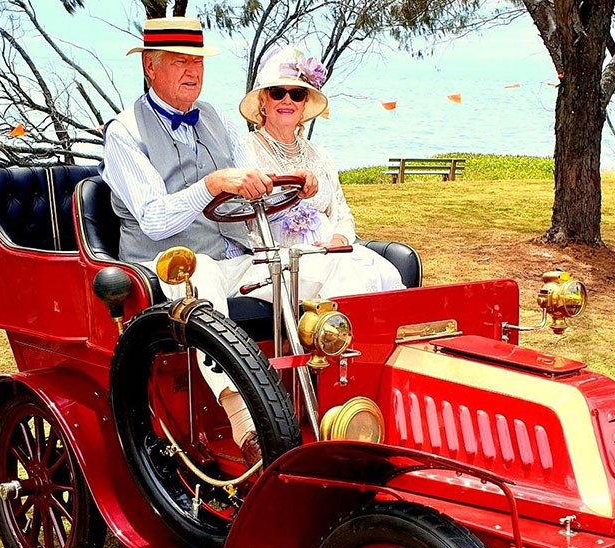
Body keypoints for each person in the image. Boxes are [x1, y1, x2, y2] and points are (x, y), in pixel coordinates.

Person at [100, 17, 324, 464]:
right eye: (181, 61)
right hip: (161, 266)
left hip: (227, 254)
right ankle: (244, 420)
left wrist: (286, 181)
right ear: (150, 67)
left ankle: (333, 400)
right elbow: (153, 219)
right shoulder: (124, 133)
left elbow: (252, 180)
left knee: (301, 266)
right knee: (197, 272)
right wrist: (211, 184)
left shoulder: (218, 121)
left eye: (198, 61)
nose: (193, 71)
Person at [240, 47, 405, 293]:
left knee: (385, 272)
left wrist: (339, 240)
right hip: (278, 262)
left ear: (305, 103)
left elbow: (342, 212)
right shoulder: (244, 150)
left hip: (330, 253)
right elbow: (237, 215)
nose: (287, 101)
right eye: (277, 93)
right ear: (263, 100)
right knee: (346, 279)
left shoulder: (320, 154)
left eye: (296, 94)